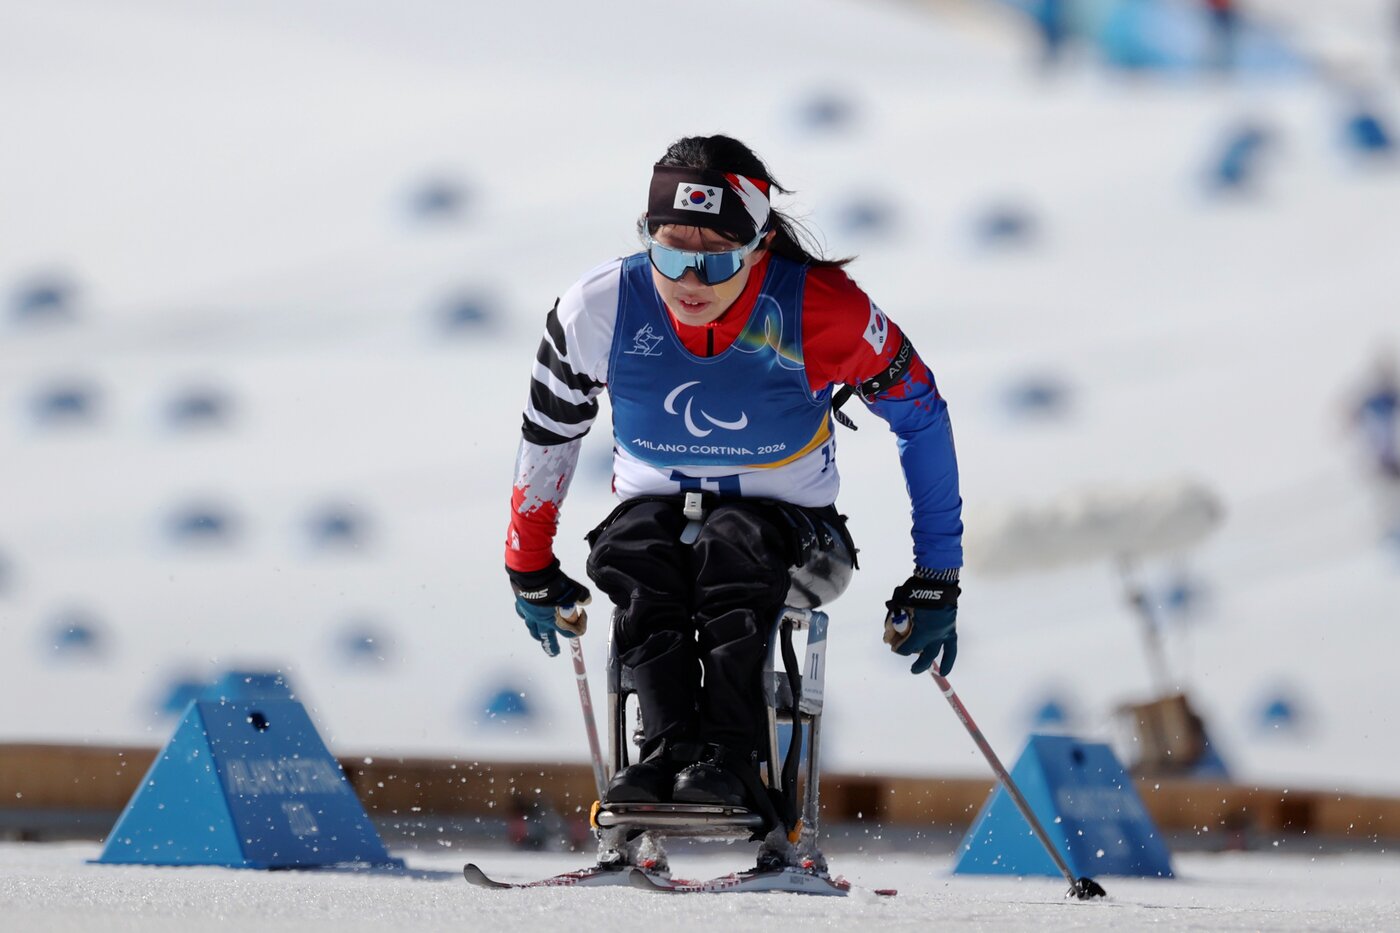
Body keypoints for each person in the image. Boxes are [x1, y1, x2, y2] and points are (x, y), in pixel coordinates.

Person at [503, 135, 964, 819]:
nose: (690, 283)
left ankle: (736, 758)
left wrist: (937, 575)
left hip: (796, 535)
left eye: (715, 262)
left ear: (760, 244)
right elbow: (550, 434)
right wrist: (529, 563)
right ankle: (664, 753)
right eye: (670, 254)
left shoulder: (821, 309)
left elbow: (922, 417)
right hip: (653, 516)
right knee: (634, 550)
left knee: (733, 541)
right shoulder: (598, 307)